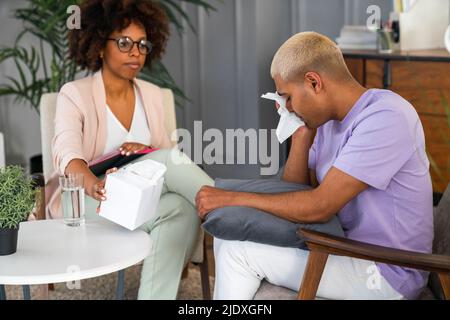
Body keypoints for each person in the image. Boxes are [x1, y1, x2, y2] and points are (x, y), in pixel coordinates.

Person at [196, 32, 433, 300]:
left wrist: (231, 199)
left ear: (313, 82)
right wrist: (301, 135)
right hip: (345, 249)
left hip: (384, 272)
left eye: (288, 97)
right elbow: (293, 191)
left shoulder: (386, 116)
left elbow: (320, 206)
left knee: (237, 252)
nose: (285, 106)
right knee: (229, 237)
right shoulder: (327, 121)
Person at [46, 0, 213, 299]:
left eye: (142, 44)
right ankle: (230, 209)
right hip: (88, 200)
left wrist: (145, 151)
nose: (136, 52)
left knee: (180, 208)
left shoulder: (152, 95)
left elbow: (165, 160)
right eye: (124, 43)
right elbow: (66, 156)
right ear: (99, 45)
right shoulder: (75, 94)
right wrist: (95, 184)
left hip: (138, 197)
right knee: (170, 164)